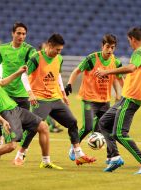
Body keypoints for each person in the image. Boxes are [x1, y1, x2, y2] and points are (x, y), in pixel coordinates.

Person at [94, 27, 141, 174]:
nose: (130, 44)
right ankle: (115, 158)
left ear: (133, 39)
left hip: (132, 97)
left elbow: (131, 68)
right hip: (127, 97)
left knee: (120, 133)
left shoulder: (140, 52)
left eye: (129, 41)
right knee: (103, 123)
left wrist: (106, 72)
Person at [17, 33, 96, 166]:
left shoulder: (59, 59)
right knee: (34, 126)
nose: (59, 53)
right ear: (49, 45)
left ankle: (78, 154)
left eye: (60, 50)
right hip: (40, 99)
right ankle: (20, 154)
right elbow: (24, 76)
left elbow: (57, 75)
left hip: (55, 98)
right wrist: (30, 93)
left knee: (72, 121)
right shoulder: (36, 57)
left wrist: (63, 94)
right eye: (57, 50)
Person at [0, 55, 62, 169]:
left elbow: (2, 82)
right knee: (11, 146)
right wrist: (2, 121)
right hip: (5, 113)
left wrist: (19, 72)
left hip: (16, 109)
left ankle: (45, 162)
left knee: (43, 127)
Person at [65, 34, 123, 161]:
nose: (110, 50)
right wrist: (69, 84)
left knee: (106, 128)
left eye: (112, 47)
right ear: (102, 46)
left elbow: (116, 78)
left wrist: (120, 93)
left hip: (104, 100)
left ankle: (111, 157)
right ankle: (74, 147)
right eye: (107, 47)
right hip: (89, 99)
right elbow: (76, 71)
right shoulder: (91, 59)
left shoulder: (116, 61)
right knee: (88, 127)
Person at [0, 22, 36, 157]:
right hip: (5, 92)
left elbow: (35, 63)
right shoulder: (2, 48)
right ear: (13, 33)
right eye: (18, 33)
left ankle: (20, 151)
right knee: (0, 121)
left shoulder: (29, 50)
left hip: (22, 93)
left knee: (22, 124)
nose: (21, 36)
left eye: (24, 34)